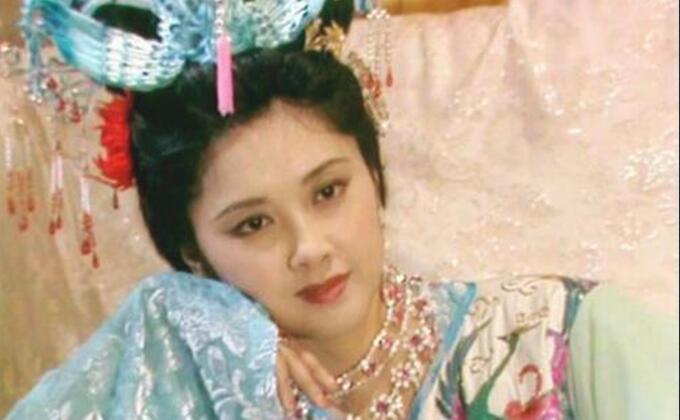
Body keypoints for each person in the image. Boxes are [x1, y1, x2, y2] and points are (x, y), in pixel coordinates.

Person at [7, 0, 677, 419]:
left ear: (373, 175)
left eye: (328, 191)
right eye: (252, 224)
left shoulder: (563, 336)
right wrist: (171, 315)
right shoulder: (184, 386)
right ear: (193, 254)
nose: (310, 247)